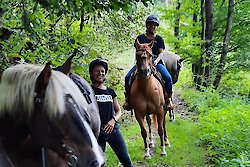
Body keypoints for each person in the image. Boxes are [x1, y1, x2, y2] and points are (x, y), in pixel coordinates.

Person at [89, 58, 134, 167]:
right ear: (91, 73)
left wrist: (113, 121)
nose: (100, 73)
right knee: (99, 163)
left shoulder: (110, 92)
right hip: (96, 133)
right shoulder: (88, 91)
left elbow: (118, 111)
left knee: (126, 159)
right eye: (97, 71)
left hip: (113, 131)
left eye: (102, 71)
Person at [123, 15, 173, 111]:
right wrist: (139, 63)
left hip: (155, 63)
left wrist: (156, 61)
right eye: (151, 24)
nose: (152, 27)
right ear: (147, 25)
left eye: (154, 25)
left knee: (168, 77)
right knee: (127, 77)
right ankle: (128, 99)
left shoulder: (159, 39)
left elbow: (161, 52)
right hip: (142, 63)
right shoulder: (140, 38)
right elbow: (137, 51)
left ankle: (168, 99)